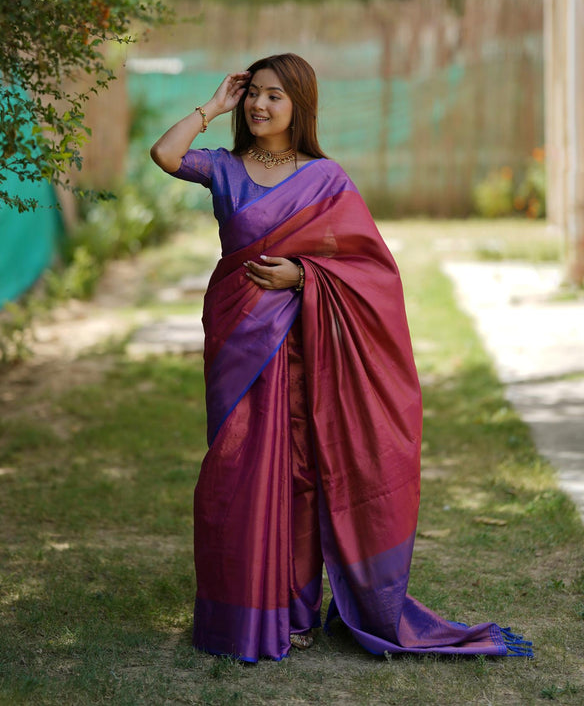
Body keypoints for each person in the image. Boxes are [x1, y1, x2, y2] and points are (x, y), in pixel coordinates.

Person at [150, 53, 532, 662]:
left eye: (275, 96)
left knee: (298, 475)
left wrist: (304, 275)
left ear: (300, 104)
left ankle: (295, 612)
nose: (260, 106)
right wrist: (209, 108)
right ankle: (239, 607)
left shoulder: (325, 178)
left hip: (300, 343)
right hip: (237, 339)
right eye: (253, 95)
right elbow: (165, 156)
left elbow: (369, 268)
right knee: (235, 471)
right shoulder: (225, 166)